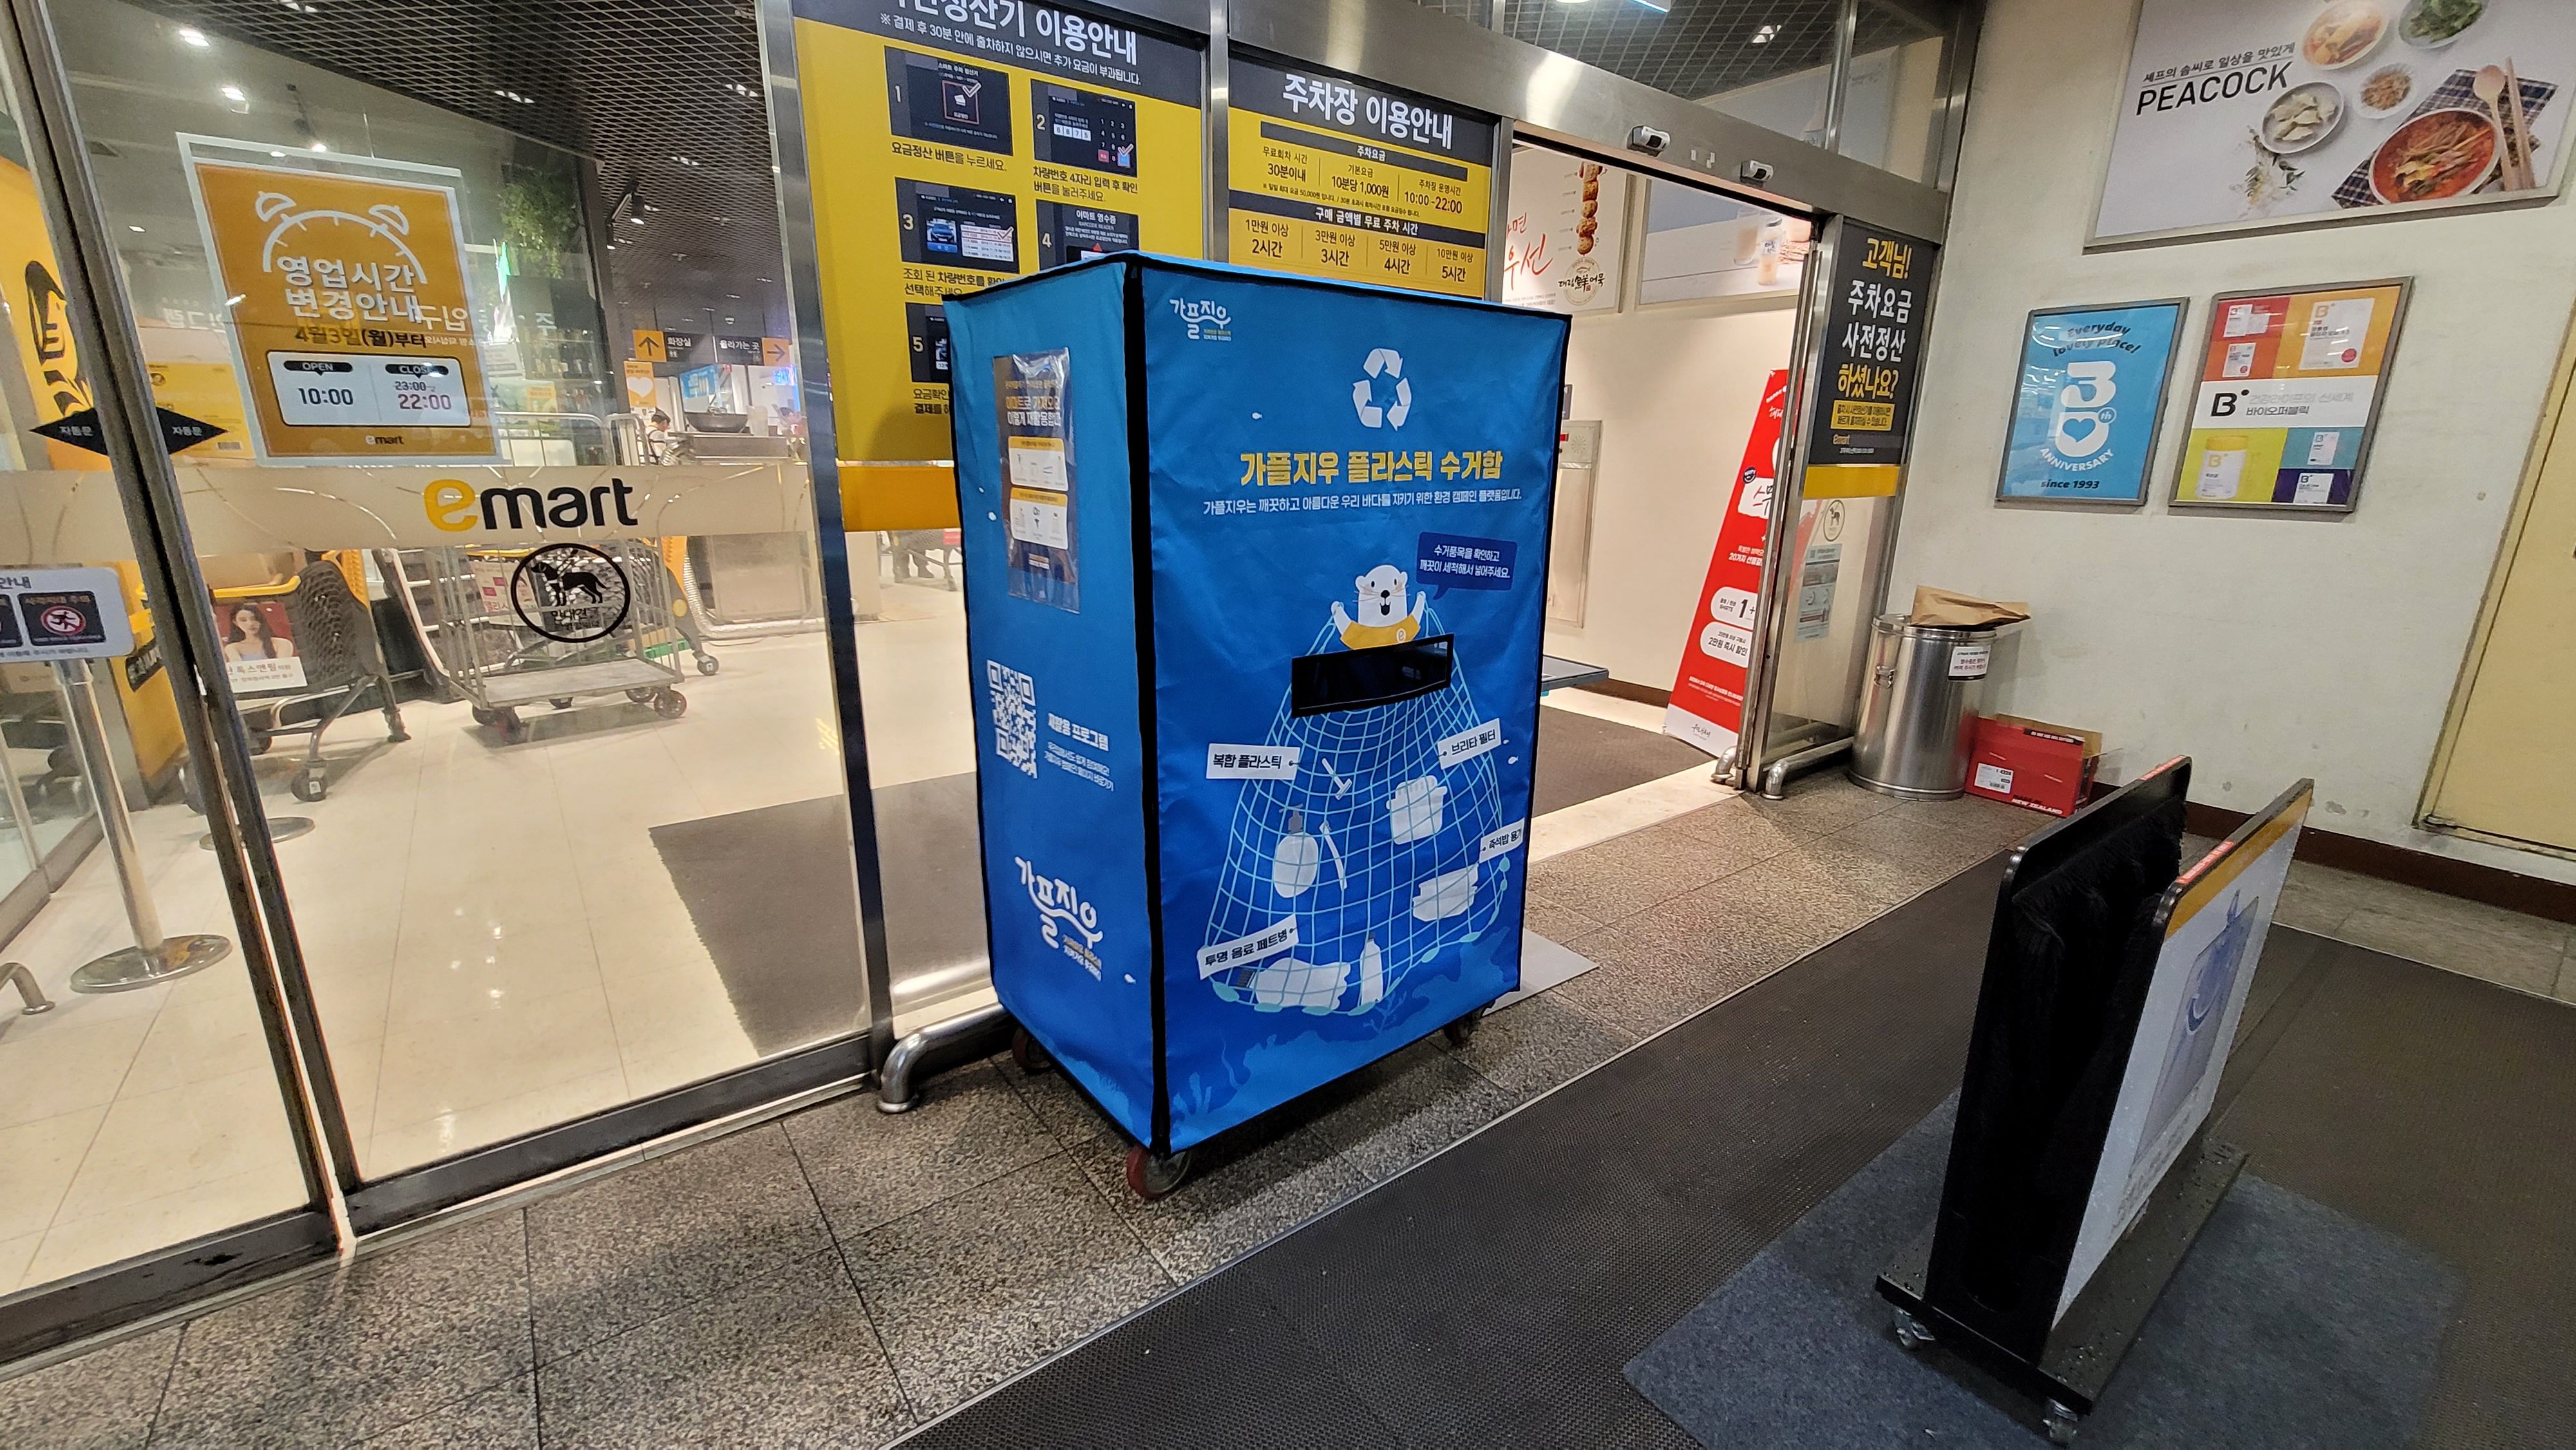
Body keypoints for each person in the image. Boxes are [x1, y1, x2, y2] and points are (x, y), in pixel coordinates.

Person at [222, 601, 296, 663]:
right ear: (236, 623)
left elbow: (284, 669)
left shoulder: (282, 643)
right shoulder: (233, 648)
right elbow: (238, 670)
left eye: (254, 619)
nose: (250, 624)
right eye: (243, 620)